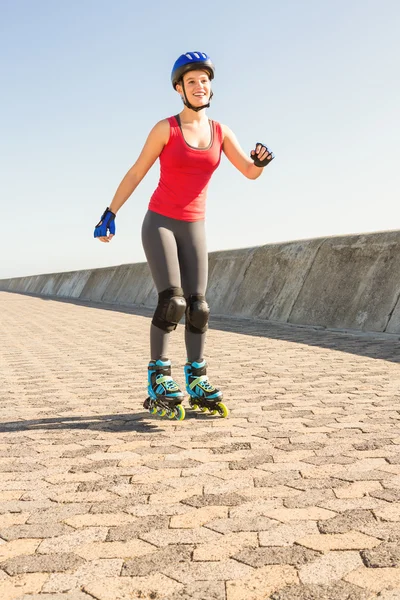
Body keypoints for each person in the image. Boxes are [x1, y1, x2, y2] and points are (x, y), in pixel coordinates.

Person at [94, 51, 274, 421]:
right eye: (191, 81)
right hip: (160, 221)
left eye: (204, 80)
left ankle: (197, 380)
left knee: (199, 308)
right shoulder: (166, 129)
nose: (199, 86)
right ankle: (159, 378)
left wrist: (258, 163)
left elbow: (248, 172)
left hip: (195, 226)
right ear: (179, 88)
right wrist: (110, 212)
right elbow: (136, 172)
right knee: (172, 302)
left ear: (211, 86)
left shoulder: (222, 132)